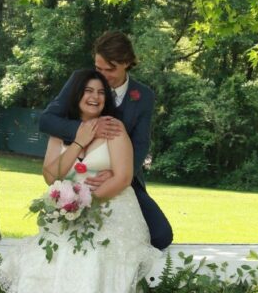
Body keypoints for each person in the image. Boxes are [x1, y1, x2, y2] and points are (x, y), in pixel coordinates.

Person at [0, 70, 161, 293]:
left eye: (101, 92)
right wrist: (79, 142)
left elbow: (123, 178)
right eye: (89, 91)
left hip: (113, 208)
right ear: (77, 96)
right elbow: (51, 176)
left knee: (95, 252)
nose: (95, 97)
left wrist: (88, 203)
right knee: (60, 253)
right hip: (72, 209)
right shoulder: (62, 132)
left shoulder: (114, 128)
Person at [39, 31, 173, 251]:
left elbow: (141, 143)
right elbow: (46, 121)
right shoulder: (81, 81)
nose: (102, 75)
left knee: (160, 236)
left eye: (109, 70)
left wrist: (117, 172)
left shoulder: (143, 96)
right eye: (98, 68)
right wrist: (86, 130)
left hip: (123, 177)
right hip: (78, 173)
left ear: (127, 63)